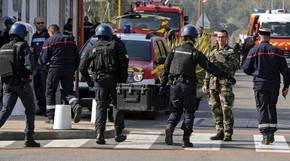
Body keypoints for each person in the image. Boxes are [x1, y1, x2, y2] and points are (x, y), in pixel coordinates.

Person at [160, 25, 235, 147]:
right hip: (188, 86)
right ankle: (186, 140)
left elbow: (165, 68)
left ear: (183, 37)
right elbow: (210, 67)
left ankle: (169, 127)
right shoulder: (195, 53)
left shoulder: (174, 51)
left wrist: (163, 86)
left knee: (175, 110)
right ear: (194, 38)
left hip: (175, 86)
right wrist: (226, 75)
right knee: (189, 112)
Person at [80, 23, 129, 144]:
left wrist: (90, 81)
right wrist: (123, 81)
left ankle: (99, 135)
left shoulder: (94, 47)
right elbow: (124, 64)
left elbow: (82, 67)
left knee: (101, 107)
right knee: (118, 106)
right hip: (115, 81)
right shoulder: (117, 45)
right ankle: (118, 133)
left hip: (100, 81)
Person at [242, 28, 290, 145]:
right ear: (269, 36)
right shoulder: (277, 51)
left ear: (259, 35)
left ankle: (265, 136)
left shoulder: (254, 50)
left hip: (260, 84)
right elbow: (285, 71)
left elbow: (246, 68)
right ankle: (272, 134)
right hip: (274, 85)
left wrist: (255, 72)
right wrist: (286, 86)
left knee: (262, 107)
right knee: (271, 107)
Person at [0, 23, 40, 147]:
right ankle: (29, 137)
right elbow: (31, 67)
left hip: (7, 83)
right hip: (23, 83)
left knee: (5, 110)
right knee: (30, 109)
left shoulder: (3, 47)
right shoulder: (23, 47)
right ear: (22, 34)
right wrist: (32, 72)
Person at [39, 24, 82, 124]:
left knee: (50, 91)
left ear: (51, 32)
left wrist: (41, 64)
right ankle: (75, 105)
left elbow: (43, 59)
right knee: (68, 92)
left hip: (55, 69)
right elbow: (77, 57)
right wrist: (74, 69)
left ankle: (51, 117)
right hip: (69, 69)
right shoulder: (70, 40)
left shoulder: (49, 41)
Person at [202, 30, 240, 141]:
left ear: (227, 38)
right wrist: (205, 83)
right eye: (218, 37)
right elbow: (208, 69)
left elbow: (236, 66)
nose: (220, 39)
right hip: (213, 84)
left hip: (225, 83)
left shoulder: (231, 51)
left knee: (226, 108)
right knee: (215, 108)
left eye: (223, 37)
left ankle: (228, 133)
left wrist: (224, 61)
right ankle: (219, 131)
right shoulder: (212, 51)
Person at [31, 17, 50, 116]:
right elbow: (32, 48)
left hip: (44, 65)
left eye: (42, 23)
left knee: (44, 87)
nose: (40, 25)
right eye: (38, 23)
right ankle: (41, 107)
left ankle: (47, 108)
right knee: (36, 87)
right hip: (36, 65)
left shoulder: (47, 35)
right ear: (35, 24)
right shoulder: (34, 36)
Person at [0, 16, 16, 111]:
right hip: (4, 63)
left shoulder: (13, 35)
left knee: (5, 86)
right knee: (4, 86)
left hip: (9, 63)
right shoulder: (4, 35)